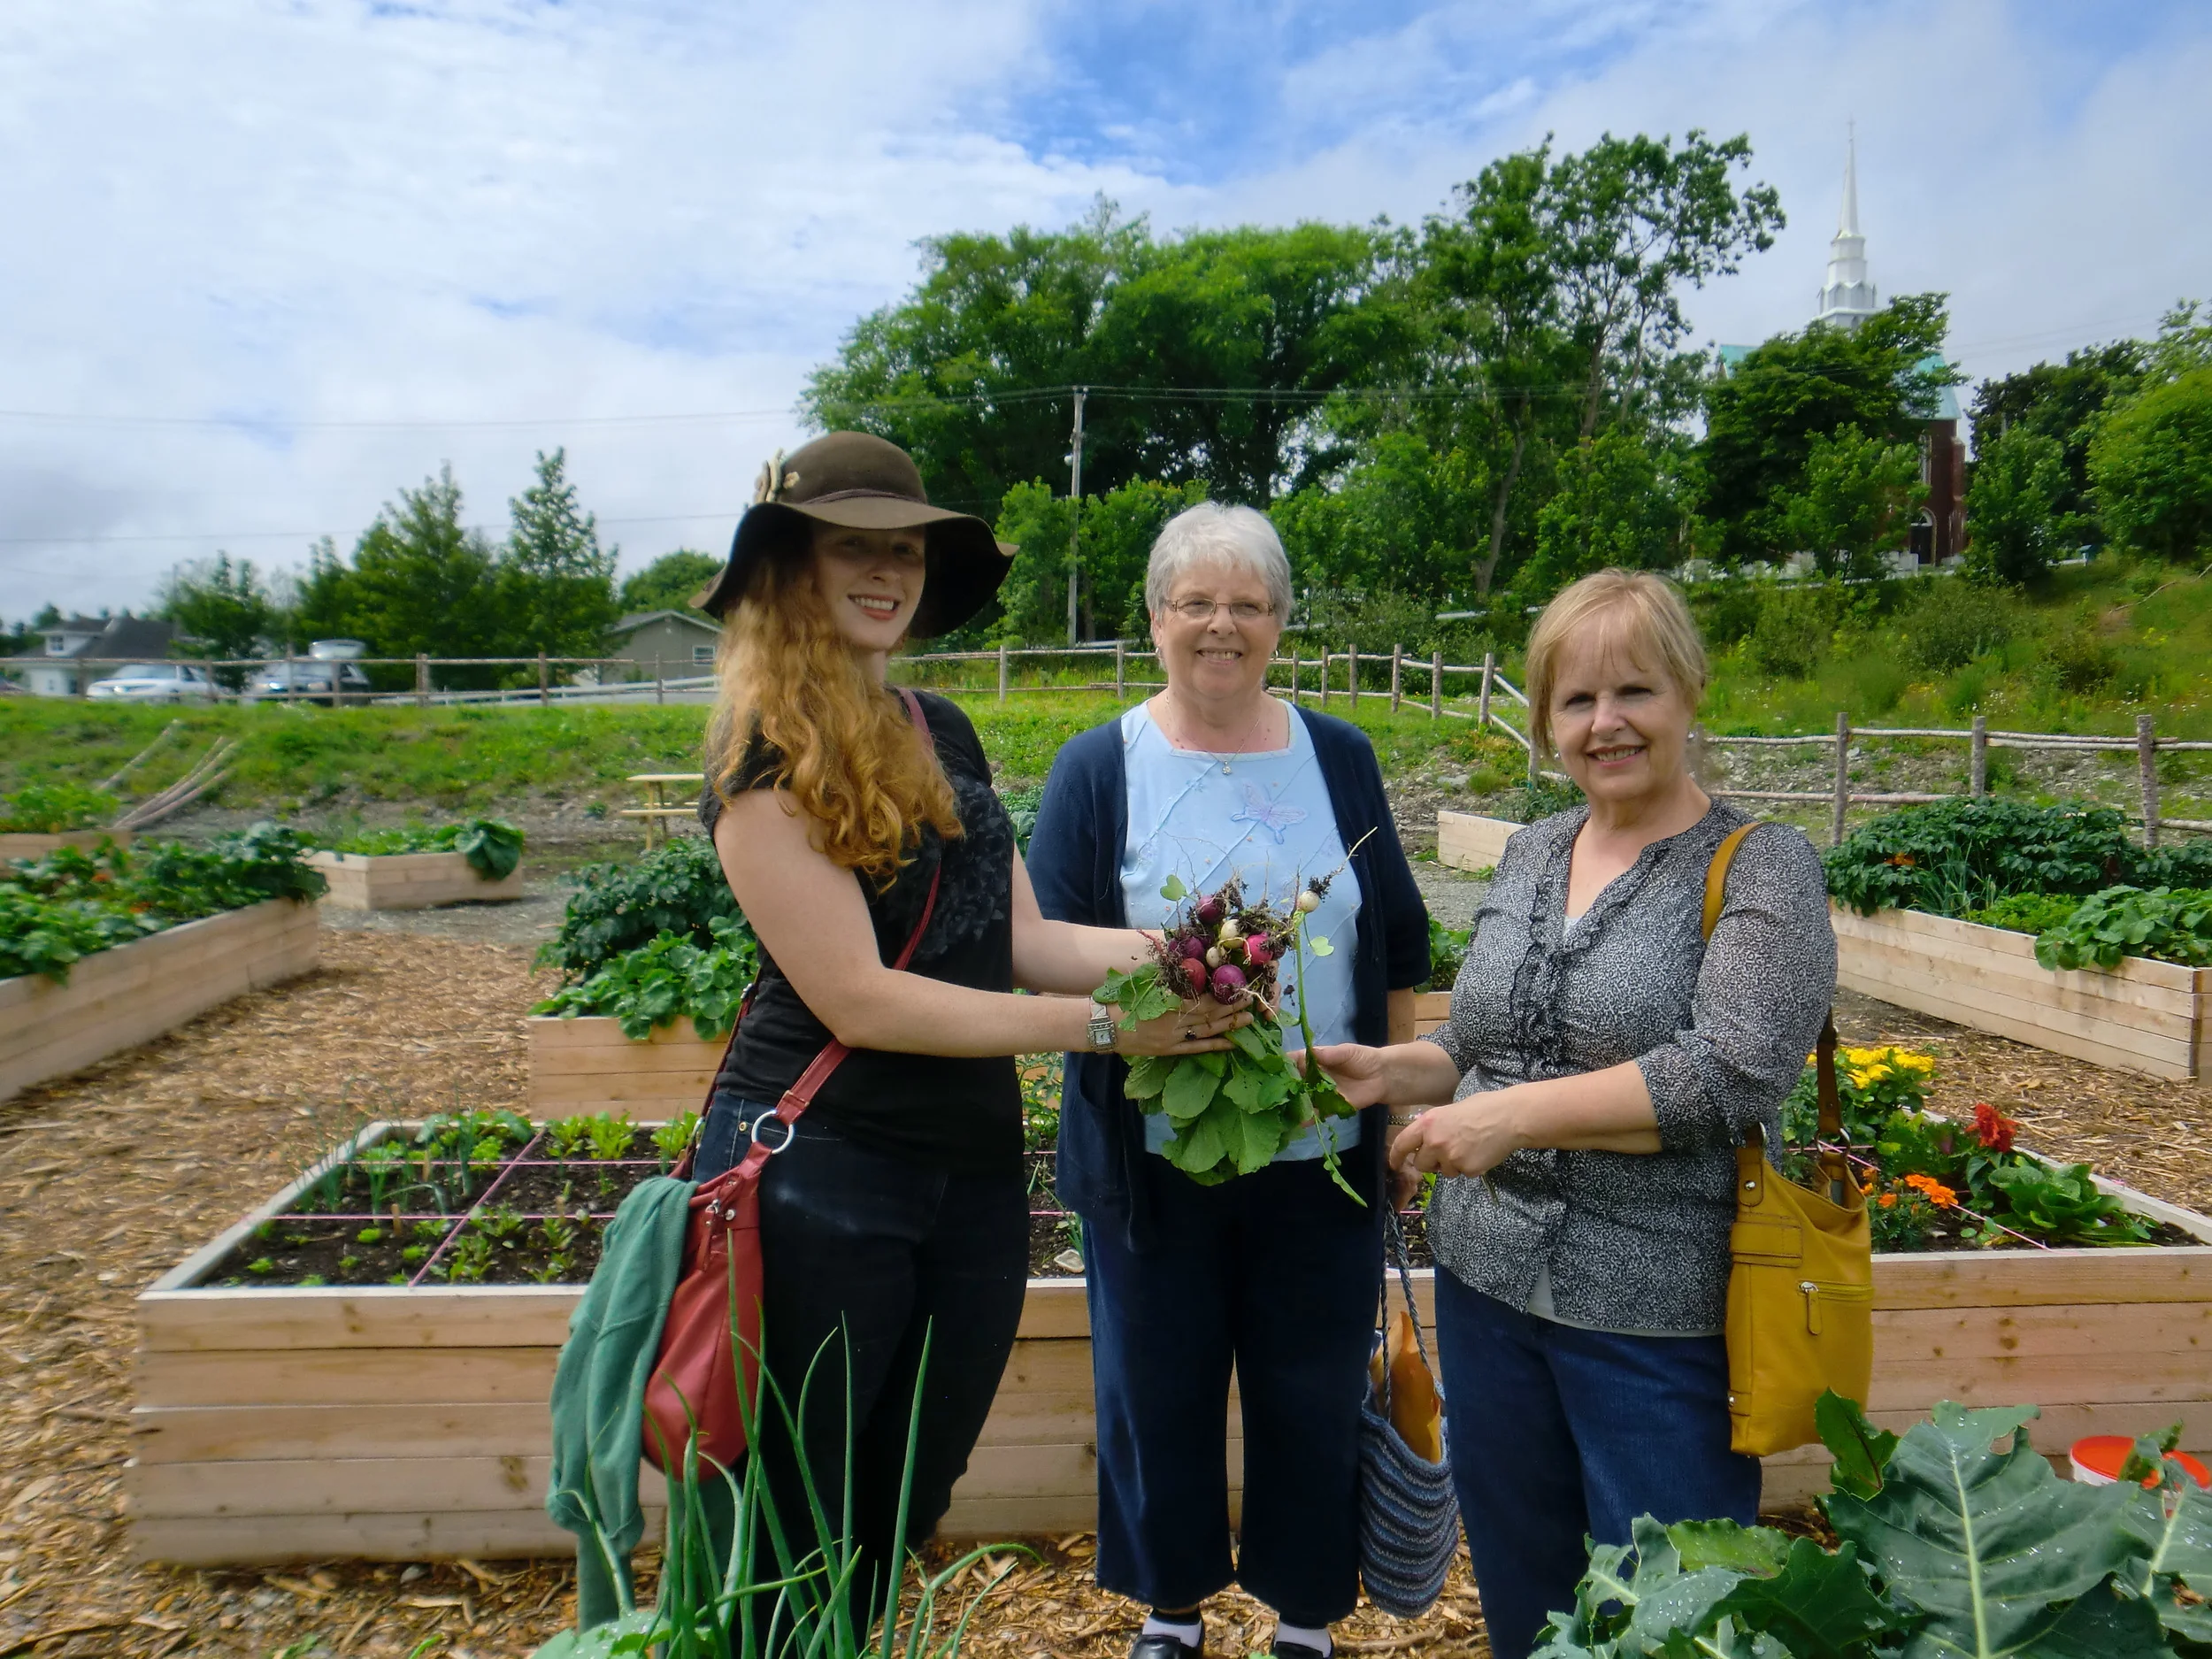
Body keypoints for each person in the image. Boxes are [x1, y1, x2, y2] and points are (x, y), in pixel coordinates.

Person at [690, 432, 1241, 1625]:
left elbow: (1023, 936)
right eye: (856, 547)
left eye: (905, 549)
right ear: (792, 567)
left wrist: (1192, 952)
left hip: (971, 1174)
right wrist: (1108, 1030)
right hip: (823, 1170)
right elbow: (860, 997)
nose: (887, 570)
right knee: (797, 1512)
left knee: (906, 1494)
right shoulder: (761, 753)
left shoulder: (938, 726)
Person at [1303, 569, 1837, 1659]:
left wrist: (1510, 1121)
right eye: (1576, 700)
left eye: (1634, 690)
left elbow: (1728, 1075)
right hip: (1488, 1290)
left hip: (1657, 1316)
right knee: (1527, 1596)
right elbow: (1485, 1047)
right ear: (1546, 718)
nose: (1606, 724)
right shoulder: (1533, 850)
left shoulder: (1760, 865)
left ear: (1689, 692)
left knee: (1669, 1615)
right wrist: (1392, 1070)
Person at [1028, 503, 1430, 1659]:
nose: (1221, 625)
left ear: (1280, 621)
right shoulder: (1099, 766)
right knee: (1158, 1389)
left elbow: (1396, 946)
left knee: (1312, 1389)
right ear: (1155, 618)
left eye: (1248, 604)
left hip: (1321, 1144)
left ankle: (1305, 1615)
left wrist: (1397, 1102)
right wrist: (1165, 990)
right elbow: (1044, 950)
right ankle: (1171, 1608)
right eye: (1196, 602)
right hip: (1151, 1161)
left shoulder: (1337, 755)